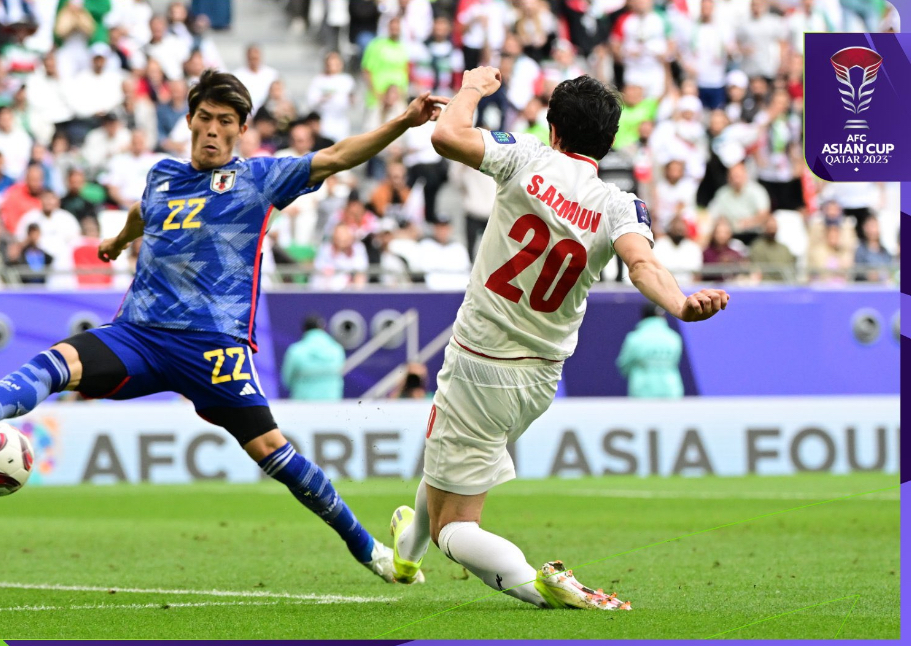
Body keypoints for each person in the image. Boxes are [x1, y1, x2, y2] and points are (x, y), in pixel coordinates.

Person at [0, 69, 447, 581]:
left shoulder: (257, 178)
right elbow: (144, 212)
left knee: (273, 454)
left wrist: (403, 121)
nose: (214, 130)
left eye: (227, 122)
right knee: (60, 359)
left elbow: (334, 156)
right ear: (190, 118)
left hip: (213, 346)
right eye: (207, 117)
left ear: (241, 129)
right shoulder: (162, 175)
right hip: (139, 334)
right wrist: (119, 242)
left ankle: (369, 549)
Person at [389, 70, 729, 610]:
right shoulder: (618, 203)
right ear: (610, 140)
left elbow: (446, 136)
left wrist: (473, 88)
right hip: (542, 376)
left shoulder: (526, 157)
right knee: (447, 462)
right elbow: (641, 264)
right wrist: (683, 304)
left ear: (552, 128)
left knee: (455, 527)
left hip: (481, 362)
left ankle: (539, 583)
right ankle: (406, 553)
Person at [616, 304, 684, 399]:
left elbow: (623, 365)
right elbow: (675, 362)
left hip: (643, 392)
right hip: (671, 391)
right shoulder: (674, 337)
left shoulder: (635, 338)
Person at [280, 315, 346, 400]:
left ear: (304, 330)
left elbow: (287, 380)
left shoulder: (296, 351)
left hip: (303, 405)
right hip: (332, 404)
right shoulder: (337, 349)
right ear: (322, 328)